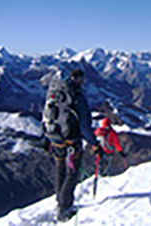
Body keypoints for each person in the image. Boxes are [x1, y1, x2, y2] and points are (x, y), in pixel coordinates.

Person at [44, 69, 102, 222]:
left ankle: (60, 201)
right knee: (72, 174)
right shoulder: (77, 97)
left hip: (55, 138)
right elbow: (84, 126)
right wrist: (95, 144)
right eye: (82, 78)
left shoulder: (55, 93)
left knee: (60, 169)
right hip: (72, 141)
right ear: (80, 79)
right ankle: (65, 209)